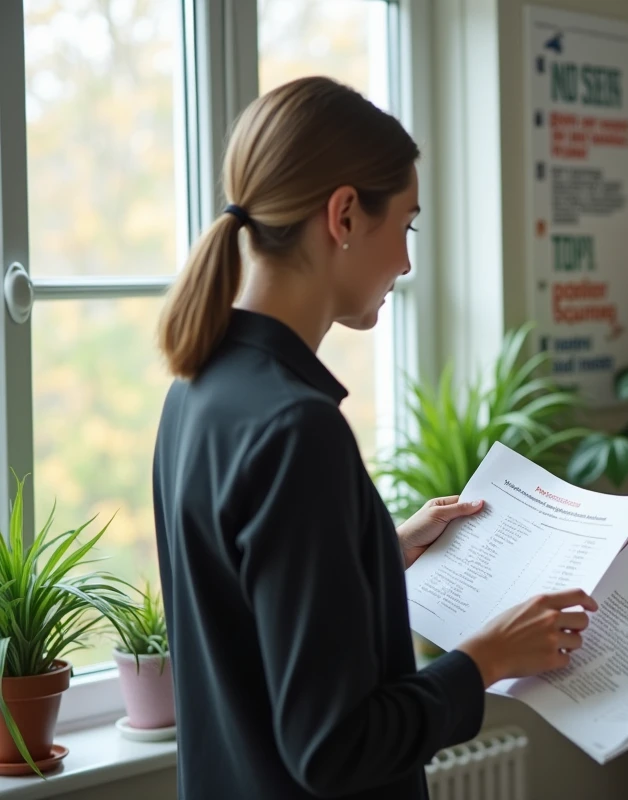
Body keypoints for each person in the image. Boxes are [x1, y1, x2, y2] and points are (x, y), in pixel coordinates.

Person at [152, 76, 598, 800]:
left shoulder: (199, 389)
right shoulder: (297, 428)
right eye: (408, 226)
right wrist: (484, 659)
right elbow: (333, 750)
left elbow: (246, 607)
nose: (407, 262)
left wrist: (375, 554)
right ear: (346, 215)